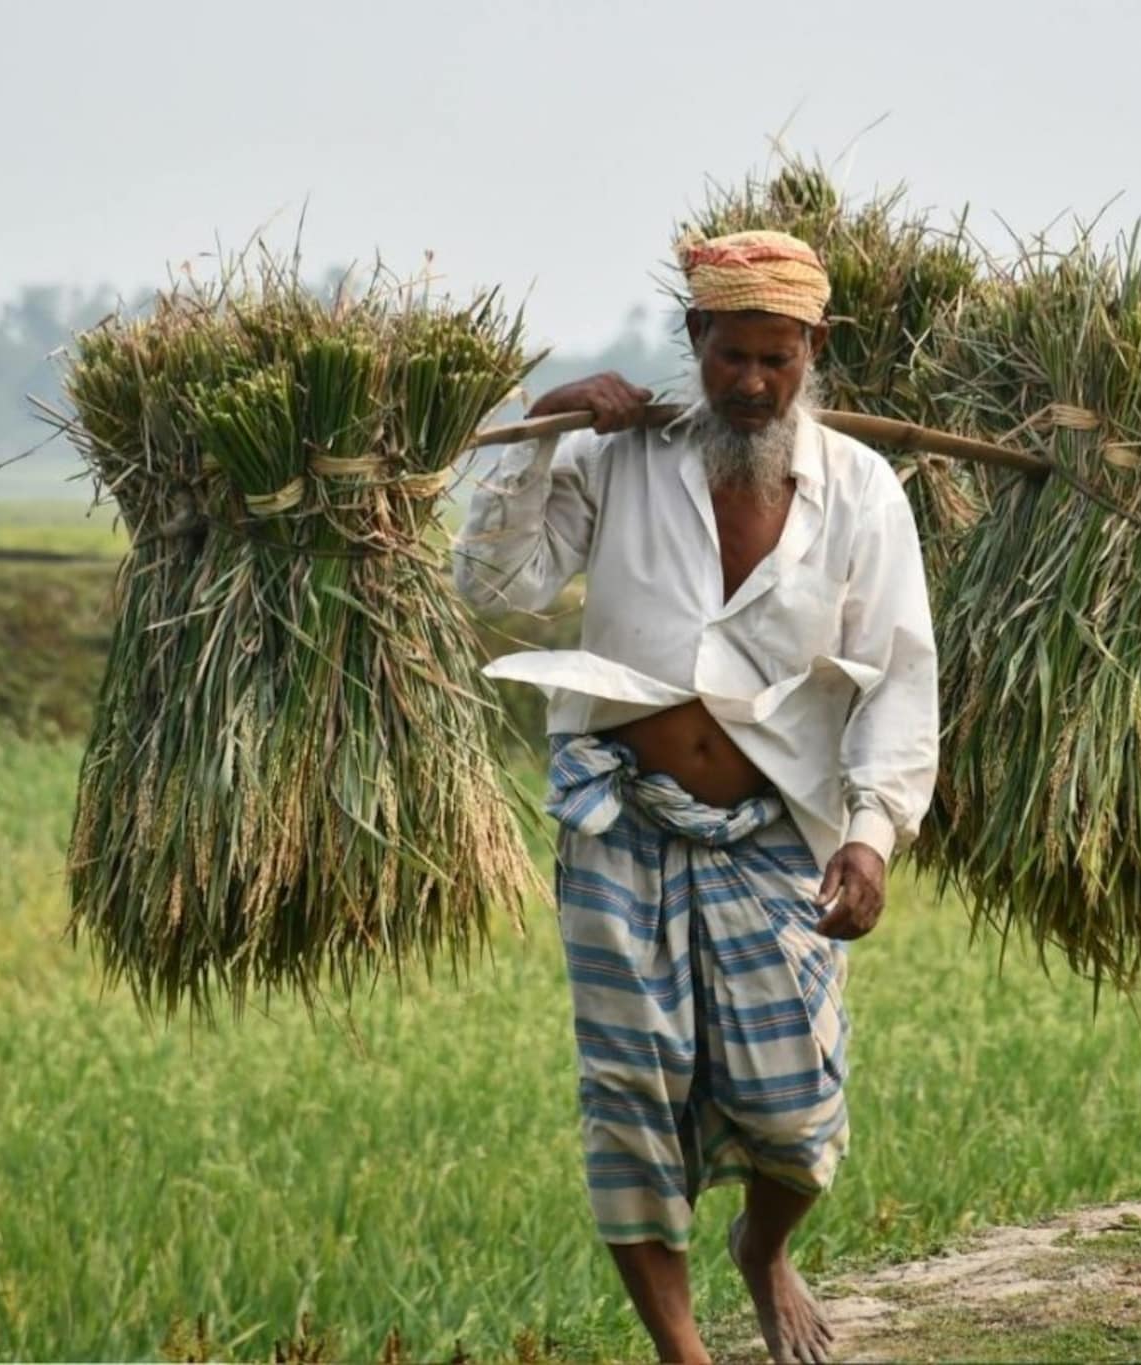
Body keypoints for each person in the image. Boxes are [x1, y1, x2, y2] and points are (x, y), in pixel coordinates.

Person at [452, 229, 937, 1364]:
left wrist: (870, 838)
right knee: (631, 1091)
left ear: (814, 349)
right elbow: (493, 581)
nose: (754, 385)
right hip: (616, 818)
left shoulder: (860, 492)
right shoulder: (618, 461)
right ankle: (684, 1353)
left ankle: (763, 1252)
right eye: (732, 358)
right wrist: (542, 432)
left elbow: (900, 675)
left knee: (794, 1107)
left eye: (778, 359)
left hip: (775, 828)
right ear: (693, 341)